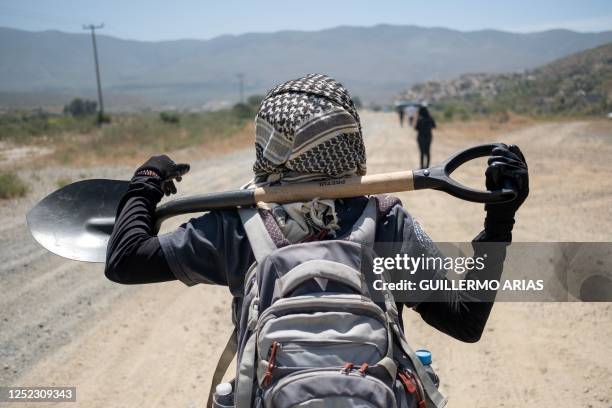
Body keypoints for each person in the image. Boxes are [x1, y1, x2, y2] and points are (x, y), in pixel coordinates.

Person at [105, 73, 529, 345]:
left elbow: (125, 261)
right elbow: (465, 321)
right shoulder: (385, 221)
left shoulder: (235, 226)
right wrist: (500, 220)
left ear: (268, 144)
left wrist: (145, 184)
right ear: (351, 140)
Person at [414, 104, 436, 169]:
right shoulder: (430, 118)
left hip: (421, 137)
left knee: (422, 152)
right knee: (428, 152)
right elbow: (434, 126)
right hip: (428, 136)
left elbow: (416, 128)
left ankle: (422, 166)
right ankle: (427, 166)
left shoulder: (420, 119)